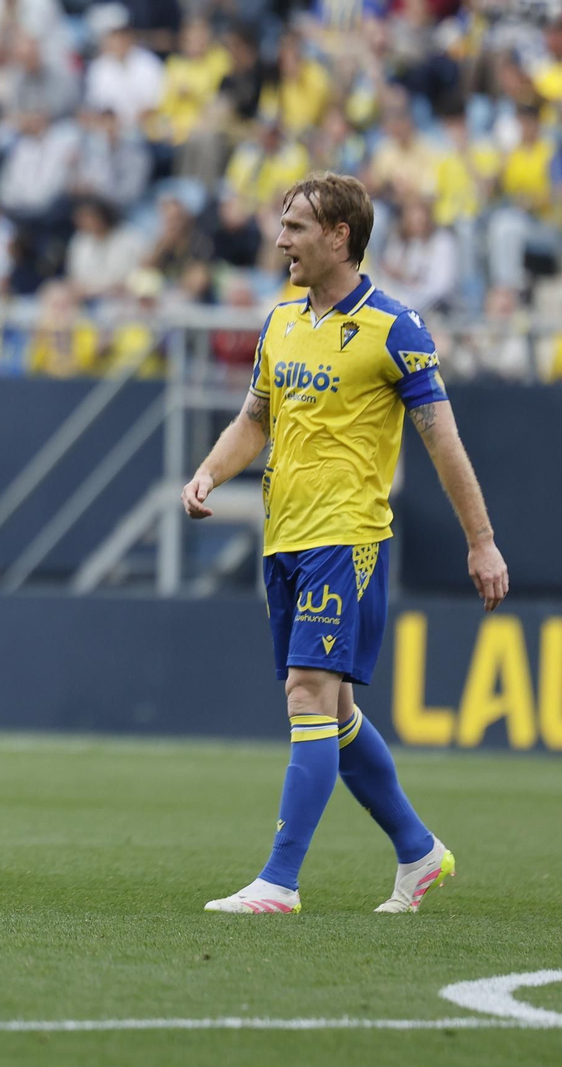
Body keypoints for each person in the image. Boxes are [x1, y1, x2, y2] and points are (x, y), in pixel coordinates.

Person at [181, 172, 508, 915]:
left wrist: (481, 541)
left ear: (339, 236)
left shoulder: (396, 328)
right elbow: (254, 419)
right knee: (332, 713)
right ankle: (420, 851)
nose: (280, 239)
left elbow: (444, 444)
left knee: (306, 692)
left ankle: (281, 880)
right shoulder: (280, 321)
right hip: (285, 536)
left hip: (349, 537)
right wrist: (208, 471)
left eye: (295, 226)